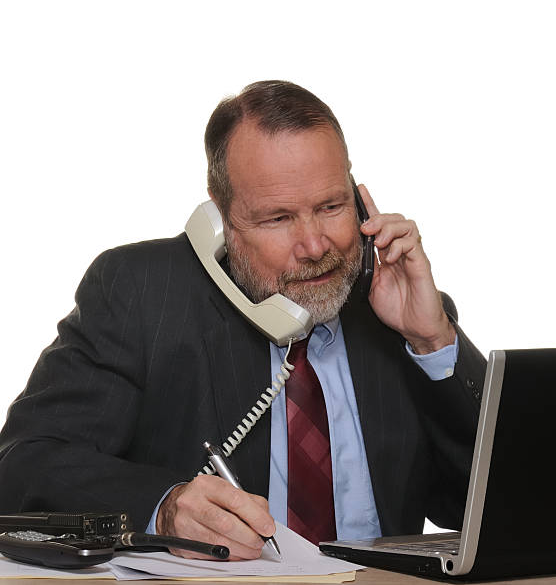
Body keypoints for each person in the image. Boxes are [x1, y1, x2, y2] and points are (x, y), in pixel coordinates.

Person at [0, 81, 486, 561]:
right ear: (220, 217)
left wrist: (431, 339)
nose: (316, 246)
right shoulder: (142, 294)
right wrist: (163, 507)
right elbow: (23, 463)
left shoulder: (399, 312)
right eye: (278, 218)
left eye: (331, 207)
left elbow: (492, 502)